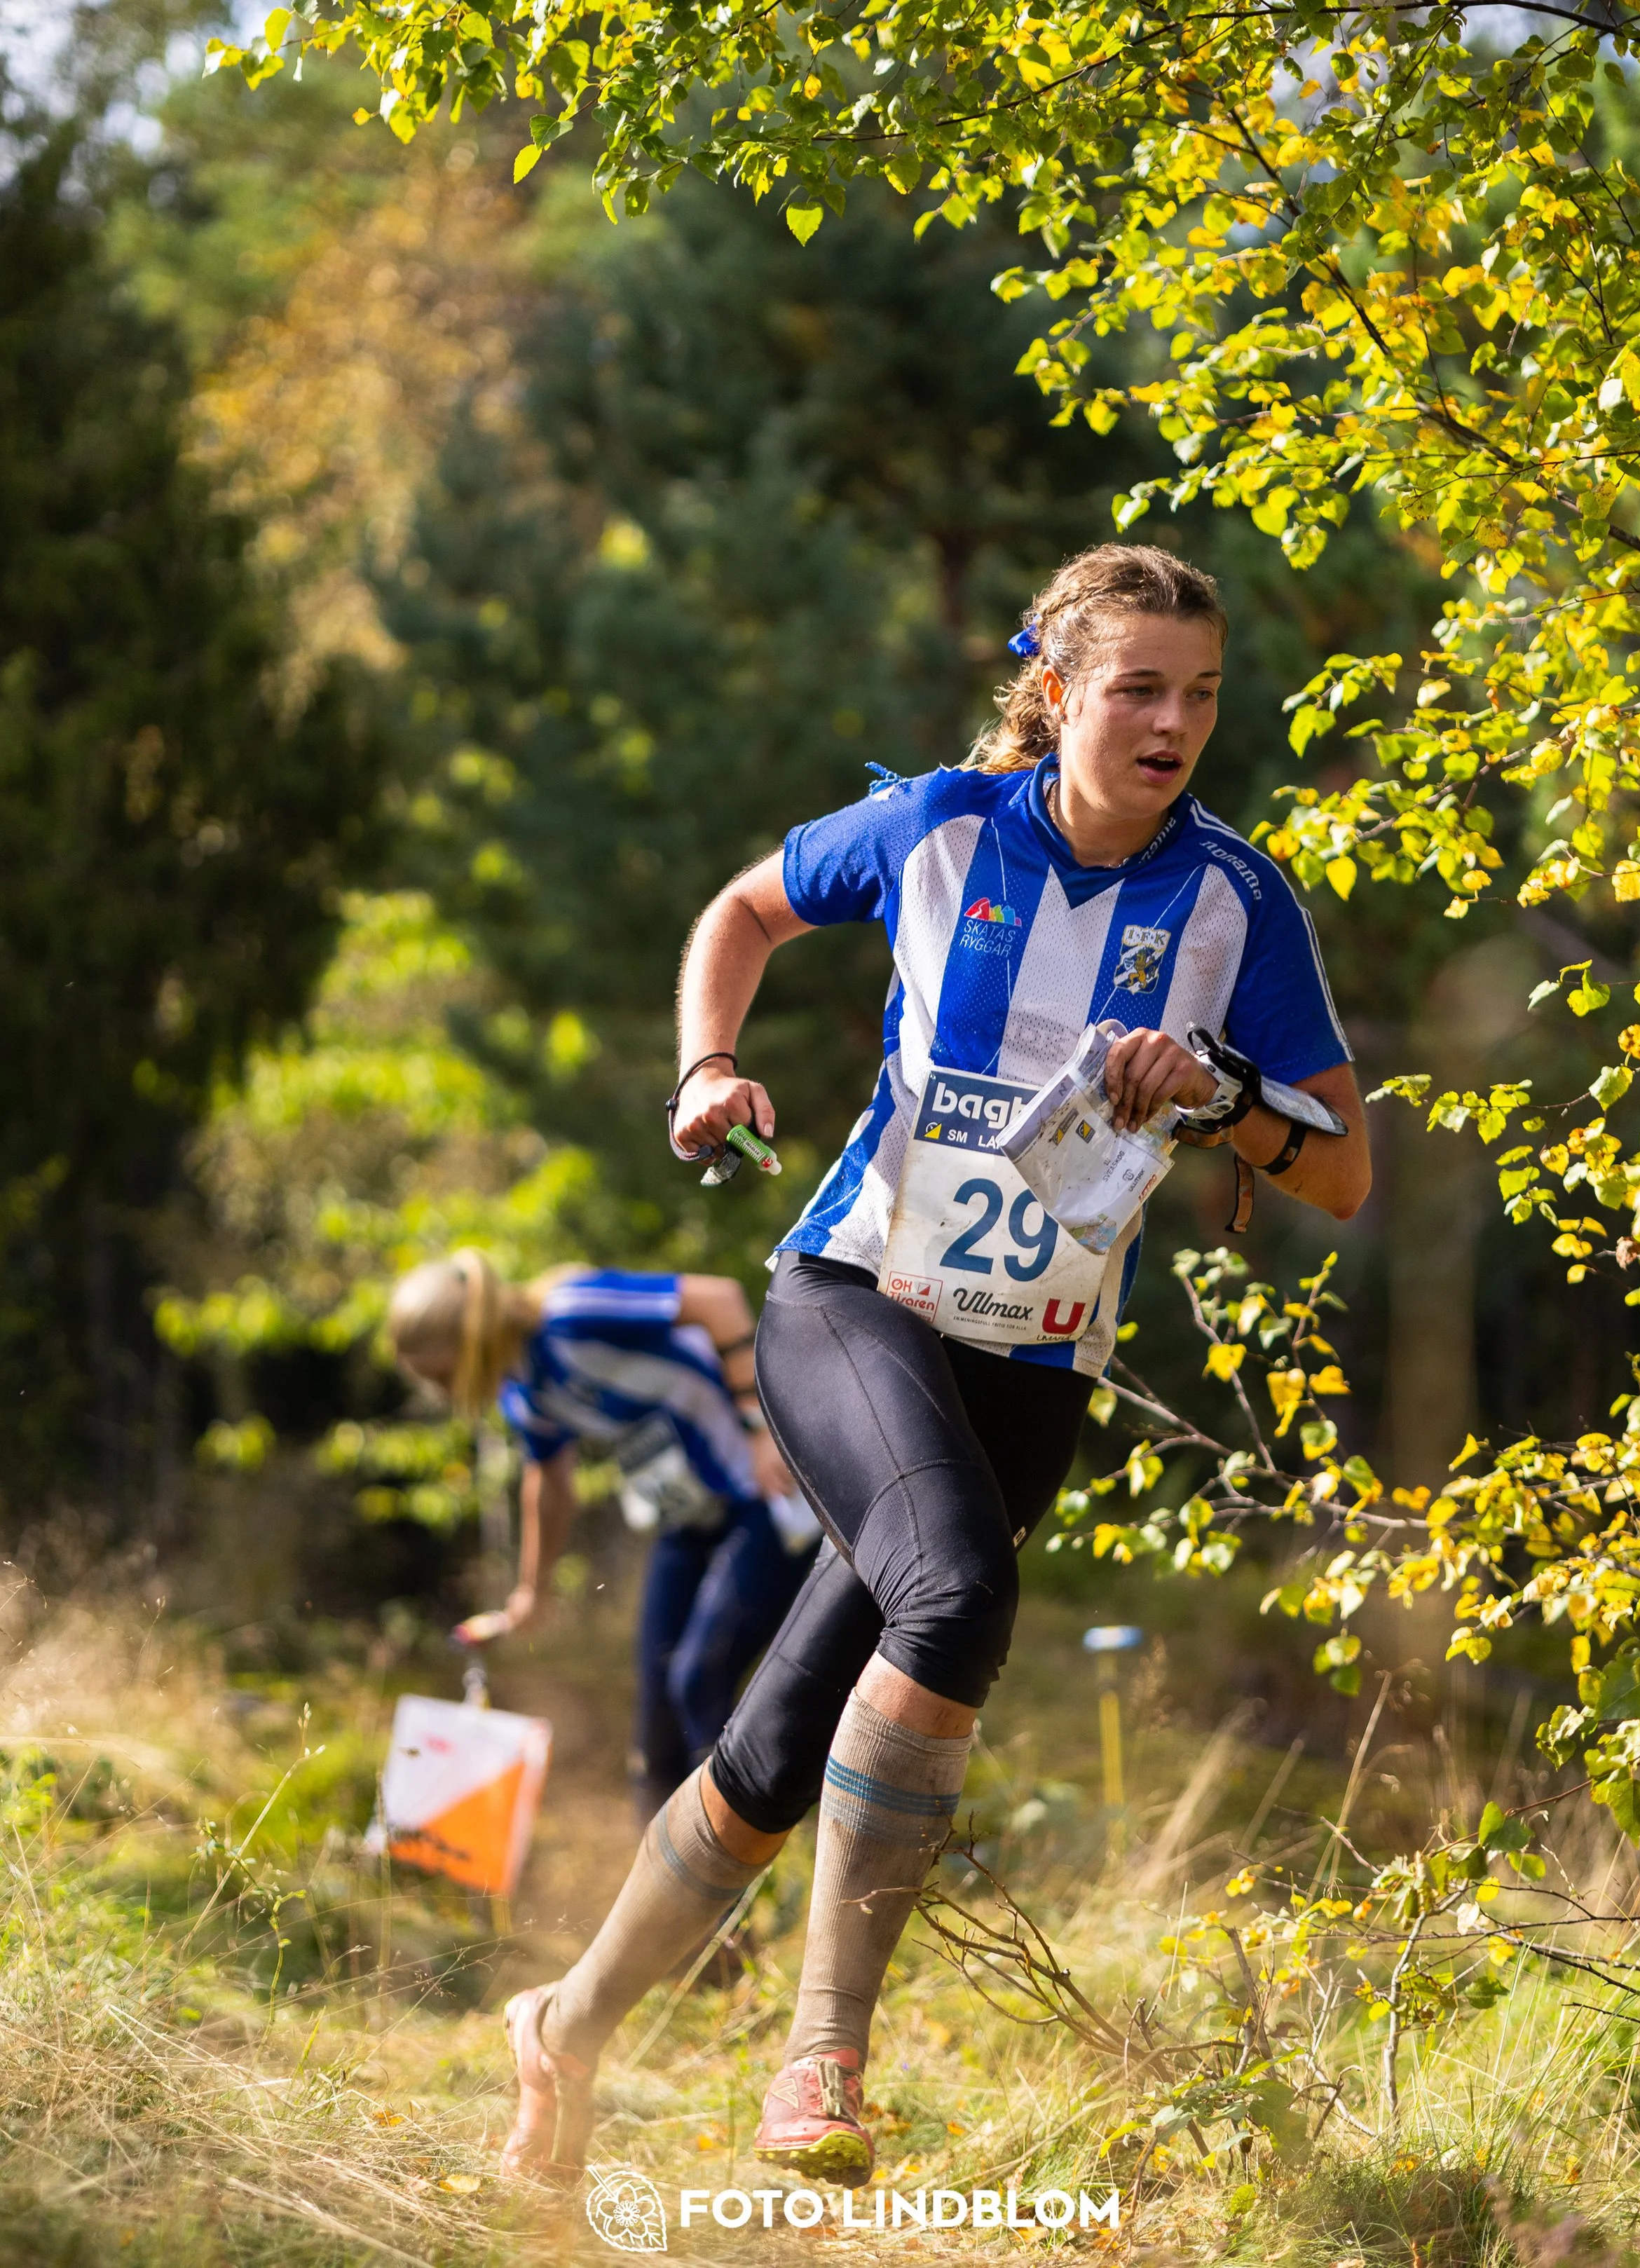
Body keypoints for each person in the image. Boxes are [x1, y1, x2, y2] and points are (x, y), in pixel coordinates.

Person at [498, 542, 1372, 2187]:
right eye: (1136, 688)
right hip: (853, 1298)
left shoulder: (1238, 902)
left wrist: (1218, 1096)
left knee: (780, 1739)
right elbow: (743, 911)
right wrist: (707, 1067)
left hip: (1035, 1363)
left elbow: (1338, 1169)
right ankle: (822, 2055)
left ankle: (567, 2025)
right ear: (1055, 693)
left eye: (1199, 692)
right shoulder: (942, 827)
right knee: (957, 1595)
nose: (1172, 721)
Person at [388, 1252, 819, 1819]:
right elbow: (548, 1484)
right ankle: (670, 1888)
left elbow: (719, 1300)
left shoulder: (573, 1313)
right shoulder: (526, 1389)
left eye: (441, 1375)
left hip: (764, 1499)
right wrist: (531, 1593)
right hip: (687, 1520)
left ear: (469, 1340)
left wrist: (760, 1427)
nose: (443, 1392)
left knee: (698, 1678)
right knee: (655, 1725)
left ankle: (753, 1859)